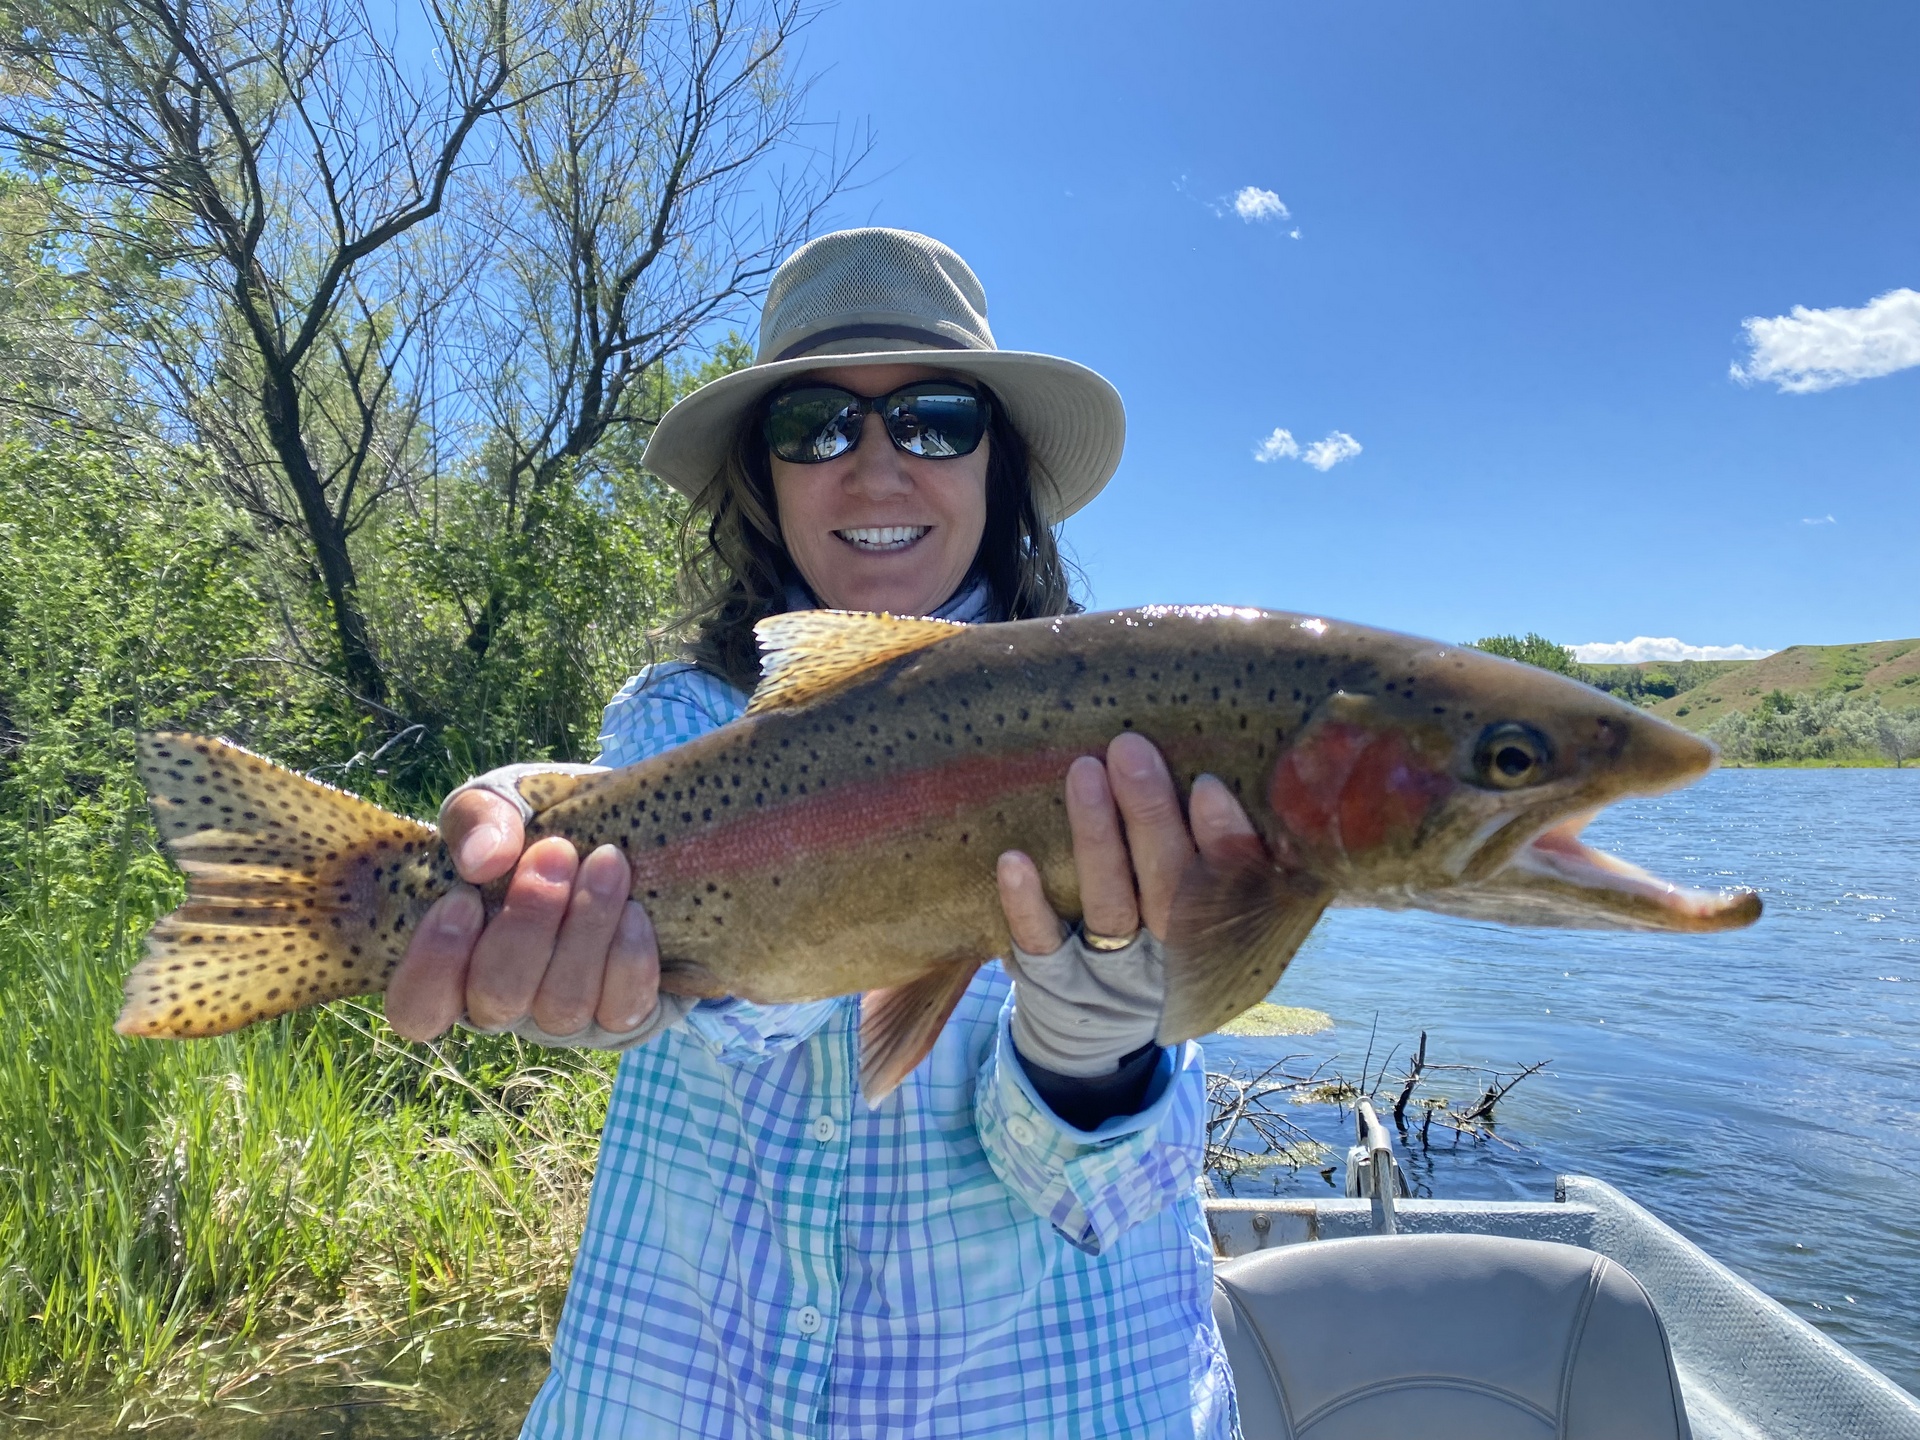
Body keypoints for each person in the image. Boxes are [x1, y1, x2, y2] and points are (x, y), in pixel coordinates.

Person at [386, 228, 1256, 1438]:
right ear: (766, 476)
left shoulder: (1122, 731)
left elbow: (1104, 1192)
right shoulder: (678, 720)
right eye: (816, 427)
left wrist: (1094, 1063)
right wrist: (530, 861)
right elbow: (653, 956)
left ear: (999, 465)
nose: (877, 467)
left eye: (937, 418)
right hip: (670, 1394)